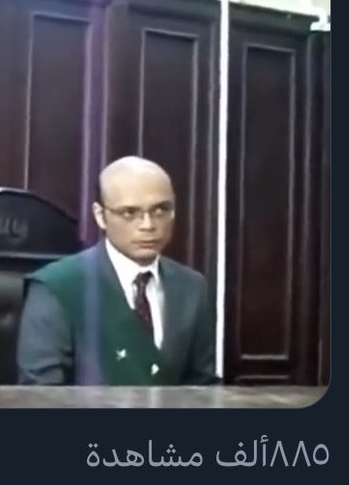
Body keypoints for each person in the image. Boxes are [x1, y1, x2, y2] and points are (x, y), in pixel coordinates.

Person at [16, 156, 218, 385]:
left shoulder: (192, 287)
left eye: (160, 210)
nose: (148, 225)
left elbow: (203, 387)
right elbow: (41, 393)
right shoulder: (57, 287)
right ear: (100, 216)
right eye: (129, 213)